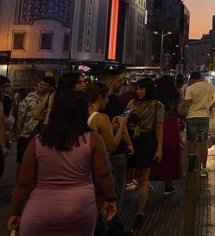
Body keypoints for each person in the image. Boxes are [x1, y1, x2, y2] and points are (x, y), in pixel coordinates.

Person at [7, 91, 117, 235]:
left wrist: (15, 212)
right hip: (80, 208)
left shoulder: (38, 141)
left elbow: (24, 183)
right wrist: (111, 199)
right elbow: (103, 174)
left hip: (40, 209)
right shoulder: (92, 139)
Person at [126, 78, 164, 229]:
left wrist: (159, 148)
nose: (138, 91)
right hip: (130, 140)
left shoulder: (158, 105)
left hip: (146, 142)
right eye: (137, 88)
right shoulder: (131, 103)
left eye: (142, 88)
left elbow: (159, 127)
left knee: (143, 179)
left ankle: (140, 212)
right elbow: (123, 119)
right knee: (125, 177)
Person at [98, 70, 133, 206]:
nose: (121, 84)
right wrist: (129, 143)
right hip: (116, 149)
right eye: (119, 81)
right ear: (111, 82)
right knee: (117, 187)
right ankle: (114, 218)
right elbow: (121, 124)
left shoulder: (91, 104)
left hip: (100, 151)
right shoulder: (113, 101)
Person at [150, 75, 183, 195]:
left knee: (155, 151)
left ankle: (146, 180)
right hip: (170, 126)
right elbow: (179, 111)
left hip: (156, 125)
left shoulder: (154, 97)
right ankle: (169, 186)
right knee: (171, 154)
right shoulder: (174, 97)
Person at [15, 77, 56, 169]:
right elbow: (21, 115)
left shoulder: (52, 99)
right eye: (39, 84)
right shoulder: (30, 97)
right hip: (27, 133)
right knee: (22, 162)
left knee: (38, 164)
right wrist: (19, 132)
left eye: (44, 85)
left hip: (42, 134)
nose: (40, 86)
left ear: (50, 87)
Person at [184, 71, 215, 177]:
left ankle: (192, 168)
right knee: (203, 142)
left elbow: (187, 103)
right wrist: (209, 106)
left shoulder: (190, 88)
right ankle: (203, 168)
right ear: (200, 77)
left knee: (192, 142)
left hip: (192, 117)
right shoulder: (209, 86)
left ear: (192, 79)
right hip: (204, 116)